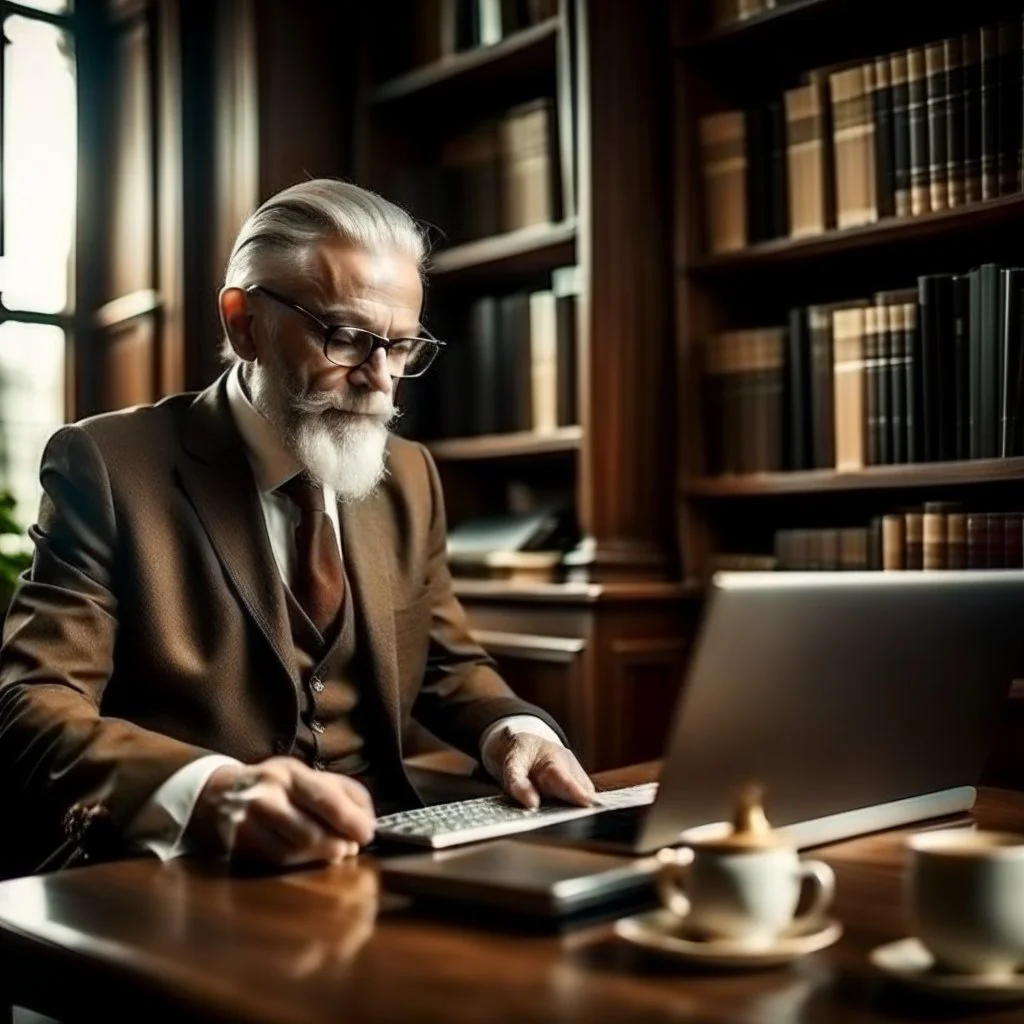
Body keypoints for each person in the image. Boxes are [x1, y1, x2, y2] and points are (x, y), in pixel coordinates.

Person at [0, 179, 594, 877]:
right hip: (183, 871)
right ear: (242, 324)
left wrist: (513, 732)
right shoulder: (105, 463)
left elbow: (448, 663)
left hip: (382, 855)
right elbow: (31, 704)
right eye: (346, 337)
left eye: (403, 347)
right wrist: (212, 793)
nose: (380, 380)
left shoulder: (410, 475)